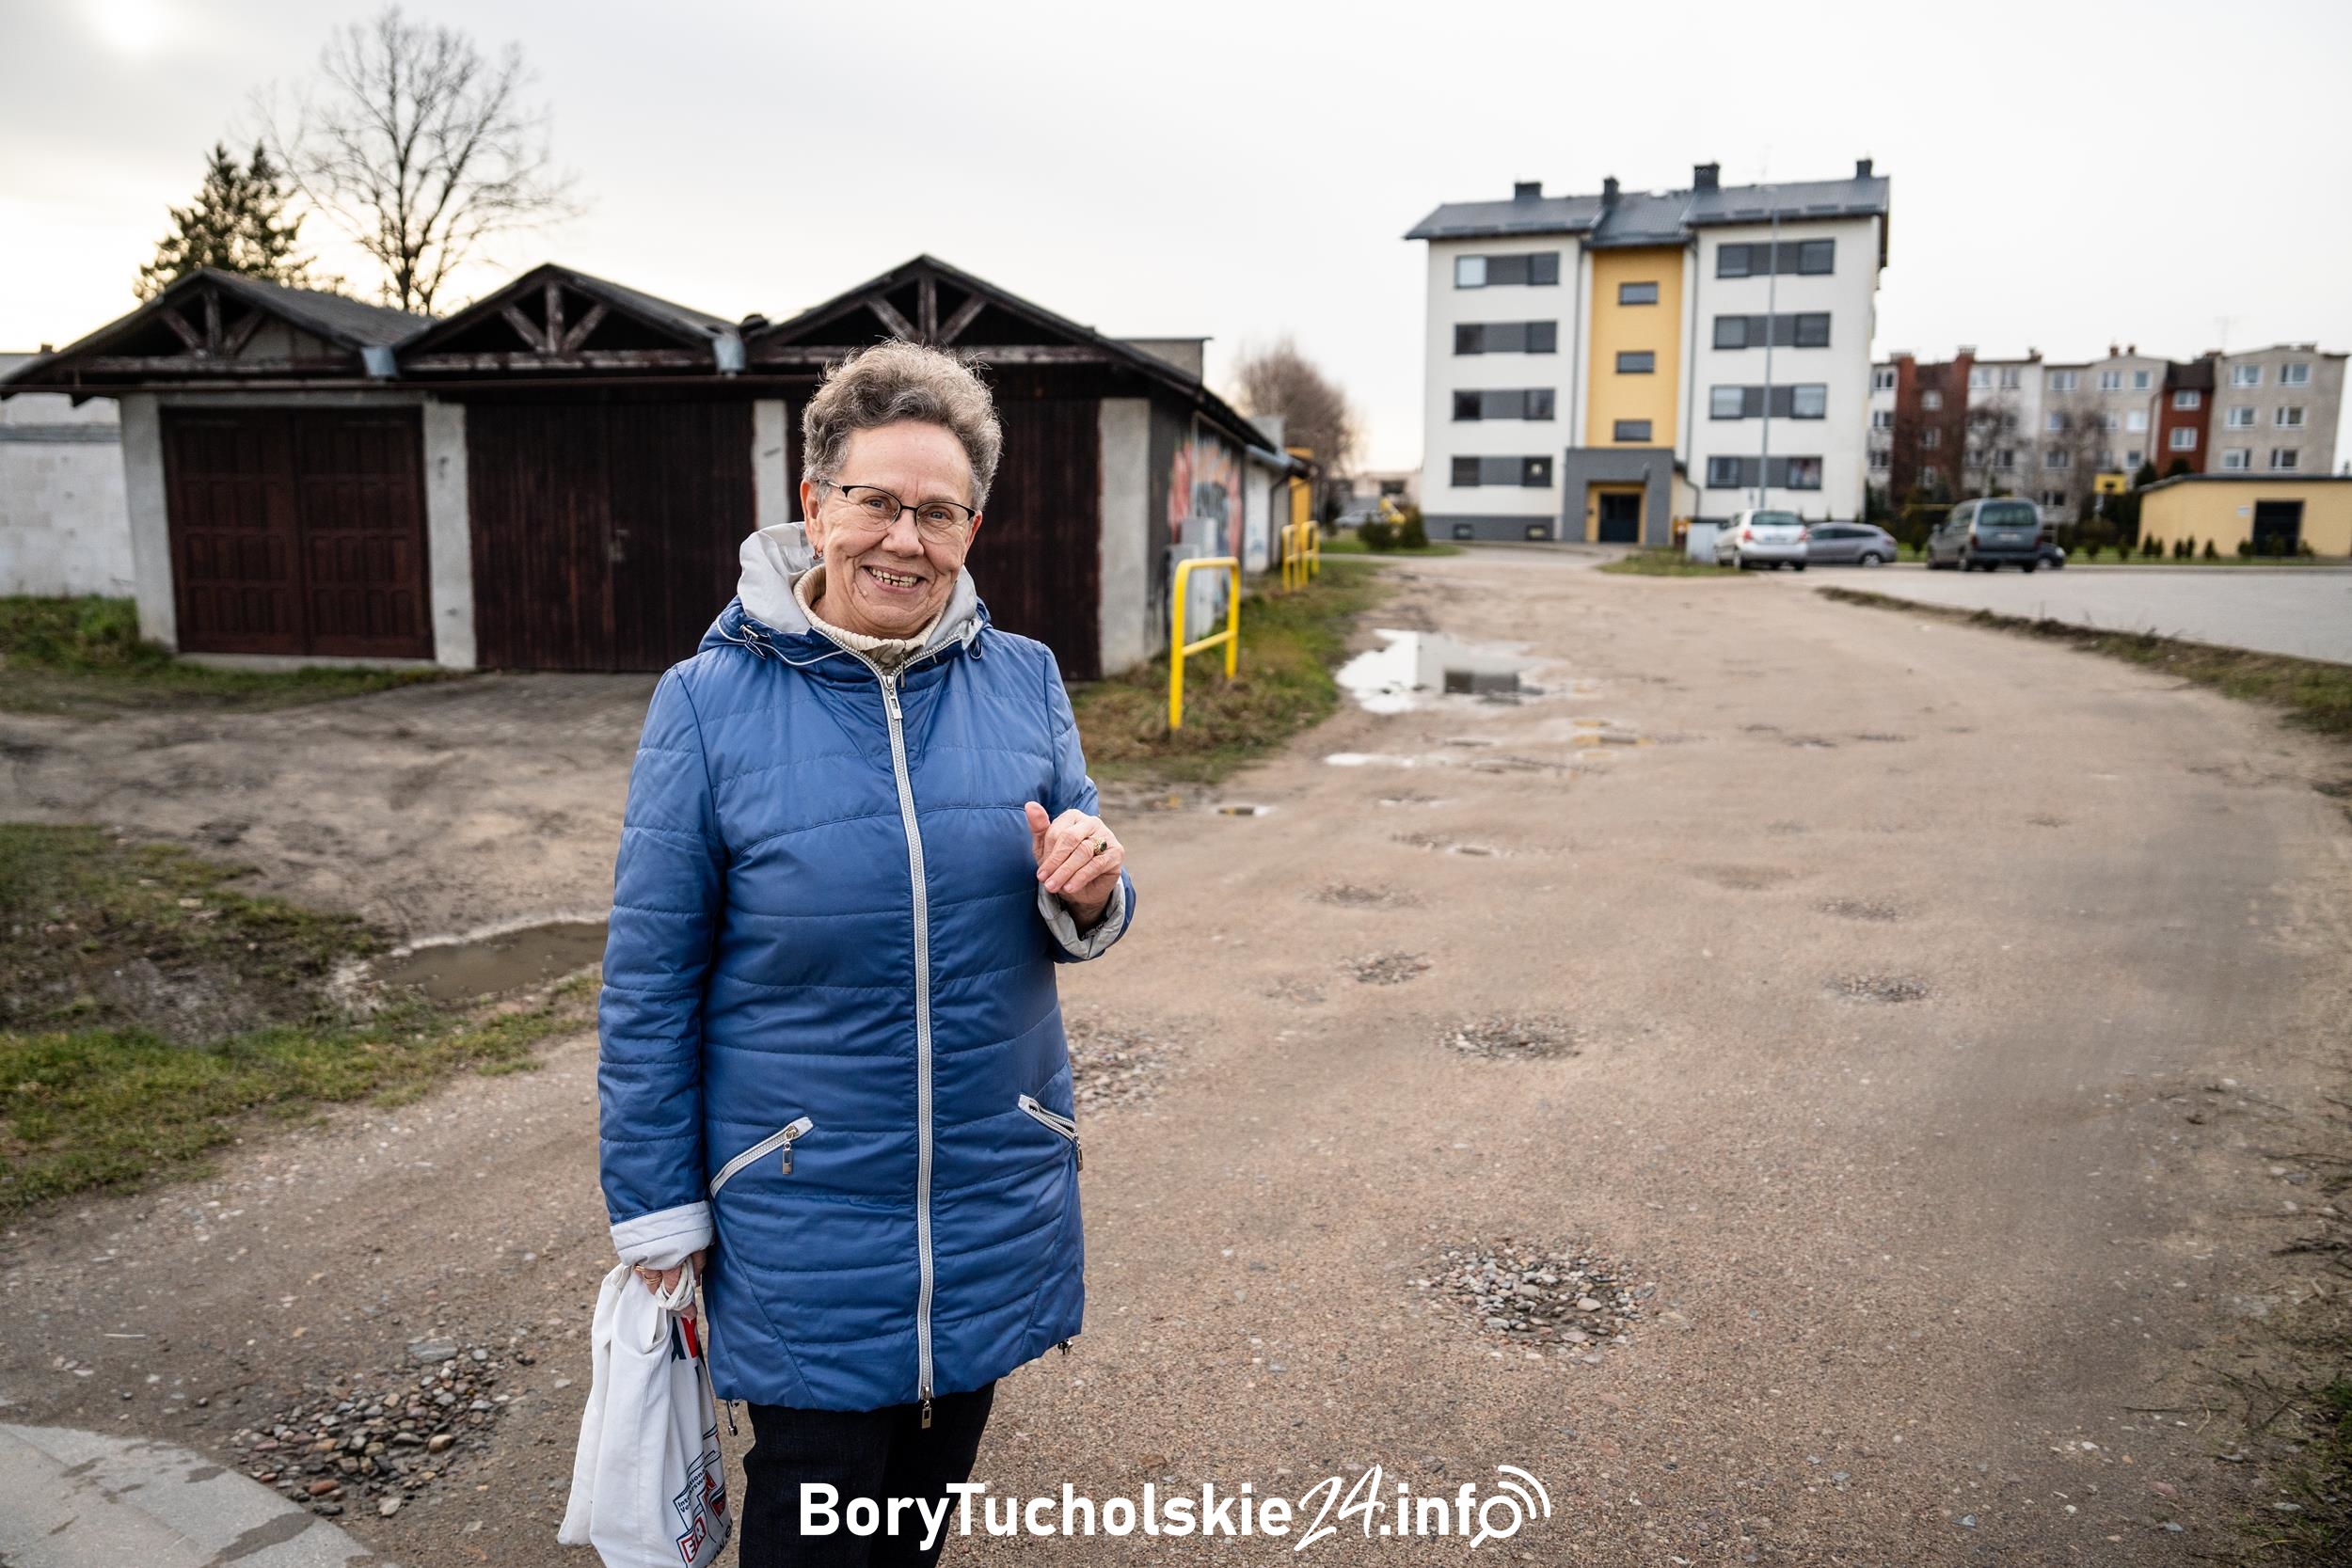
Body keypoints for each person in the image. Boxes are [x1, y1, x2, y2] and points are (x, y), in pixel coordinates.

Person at [596, 341, 1136, 1566]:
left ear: (973, 526)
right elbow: (647, 986)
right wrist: (657, 1211)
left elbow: (1085, 881)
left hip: (994, 1202)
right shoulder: (707, 703)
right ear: (815, 508)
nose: (904, 539)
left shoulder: (1026, 683)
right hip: (806, 1228)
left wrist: (1094, 891)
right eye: (875, 502)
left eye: (937, 512)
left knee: (911, 1535)